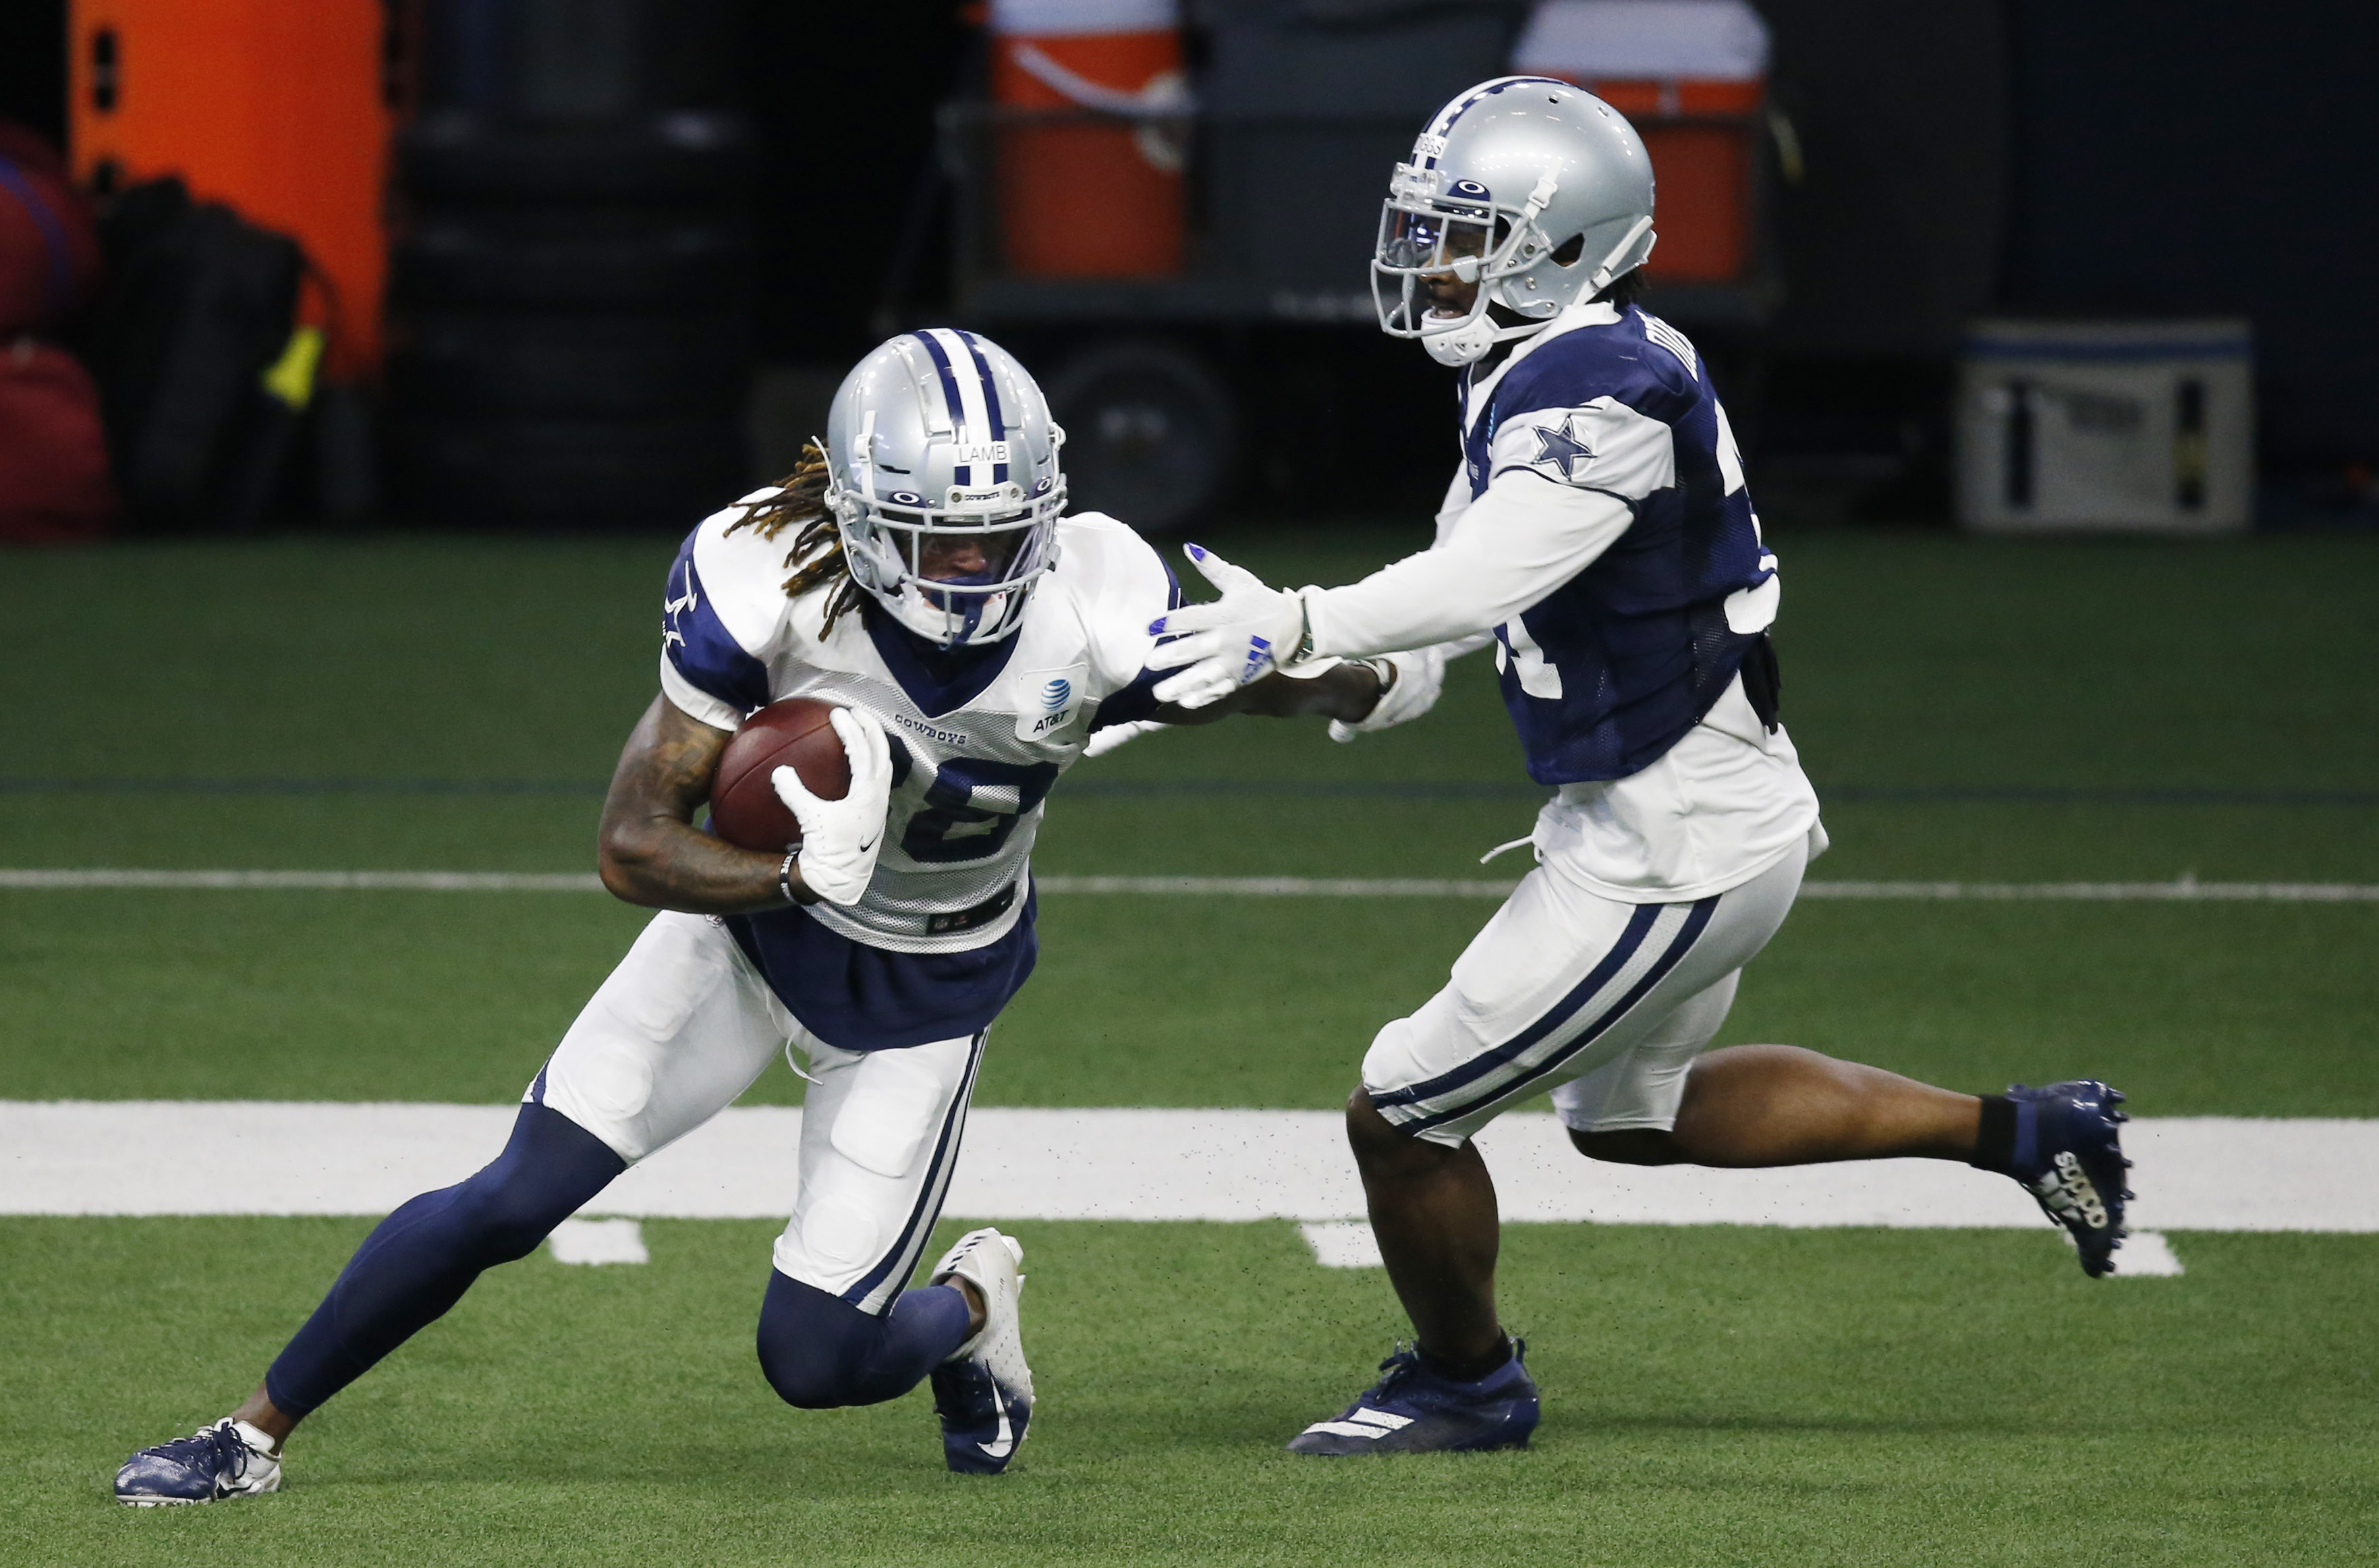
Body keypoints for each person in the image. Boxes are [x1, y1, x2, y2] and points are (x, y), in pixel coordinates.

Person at [113, 329, 1392, 1505]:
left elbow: (1284, 687)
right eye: (936, 536)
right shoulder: (762, 574)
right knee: (512, 1198)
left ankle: (971, 1305)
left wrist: (1326, 661)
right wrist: (787, 881)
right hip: (747, 936)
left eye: (1001, 538)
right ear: (853, 511)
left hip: (926, 987)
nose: (971, 567)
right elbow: (631, 842)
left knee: (818, 1359)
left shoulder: (1098, 607)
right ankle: (251, 1433)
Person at [1143, 78, 2134, 1457]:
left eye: (1461, 233)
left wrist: (1301, 615)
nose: (1428, 261)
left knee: (1400, 1113)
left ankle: (1465, 1382)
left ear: (1560, 243)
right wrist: (1294, 671)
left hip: (1670, 842)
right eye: (1426, 229)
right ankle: (2028, 1131)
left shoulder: (1602, 382)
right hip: (1695, 809)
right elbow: (1444, 629)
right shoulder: (1534, 369)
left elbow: (1486, 569)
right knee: (1635, 1117)